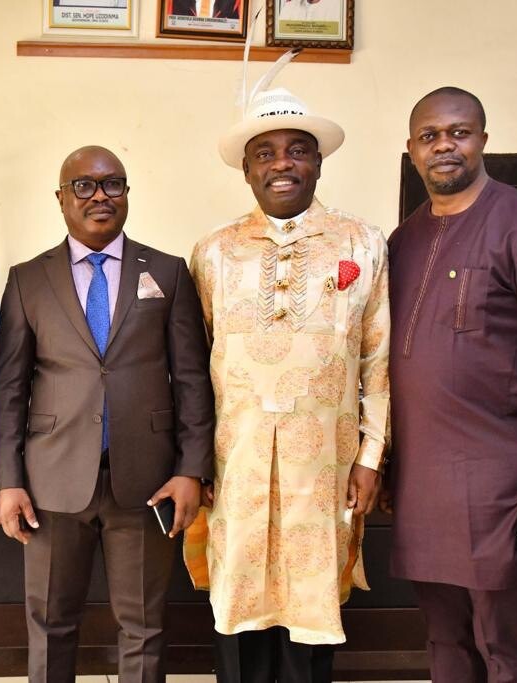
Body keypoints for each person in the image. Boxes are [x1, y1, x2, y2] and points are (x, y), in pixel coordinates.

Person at [386, 86, 517, 683]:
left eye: (459, 133)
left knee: (506, 642)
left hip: (502, 481)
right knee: (444, 639)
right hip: (423, 482)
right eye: (429, 137)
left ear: (483, 139)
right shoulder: (404, 240)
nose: (444, 146)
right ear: (411, 150)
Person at [186, 77, 390, 682]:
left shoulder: (363, 242)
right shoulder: (215, 252)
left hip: (325, 468)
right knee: (240, 602)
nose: (282, 163)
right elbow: (193, 368)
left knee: (311, 603)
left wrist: (372, 455)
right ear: (246, 169)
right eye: (265, 152)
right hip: (236, 466)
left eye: (296, 149)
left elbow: (378, 360)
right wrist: (196, 462)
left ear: (319, 162)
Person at [0, 145, 215, 682]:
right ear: (61, 199)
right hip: (51, 483)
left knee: (143, 627)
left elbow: (191, 380)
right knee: (50, 622)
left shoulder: (168, 271)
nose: (99, 196)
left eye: (112, 184)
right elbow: (9, 390)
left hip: (146, 481)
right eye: (84, 186)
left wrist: (191, 469)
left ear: (127, 194)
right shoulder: (27, 279)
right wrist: (8, 481)